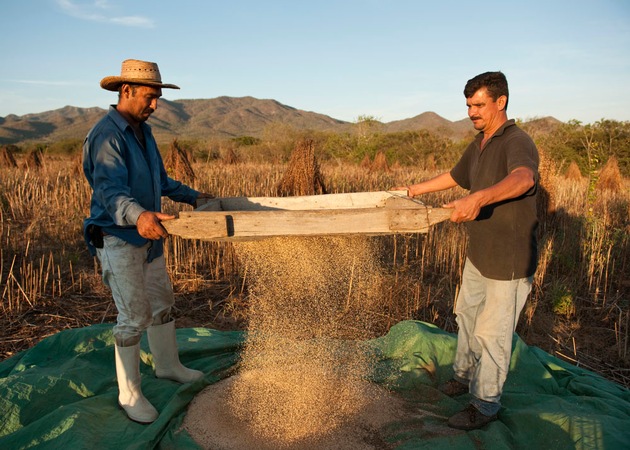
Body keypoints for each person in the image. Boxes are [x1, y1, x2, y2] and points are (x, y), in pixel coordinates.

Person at [393, 71, 539, 430]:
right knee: (467, 316)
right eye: (468, 105)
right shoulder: (480, 143)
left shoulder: (516, 141)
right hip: (480, 253)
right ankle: (462, 376)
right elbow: (456, 176)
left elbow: (524, 178)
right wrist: (411, 191)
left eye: (478, 105)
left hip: (509, 260)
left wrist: (480, 197)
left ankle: (485, 404)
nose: (472, 112)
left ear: (500, 102)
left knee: (493, 332)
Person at [82, 59, 214, 424]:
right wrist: (138, 215)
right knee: (133, 316)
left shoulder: (143, 132)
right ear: (126, 91)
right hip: (120, 235)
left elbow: (162, 181)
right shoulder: (107, 135)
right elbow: (109, 191)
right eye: (150, 97)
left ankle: (168, 366)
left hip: (150, 236)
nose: (155, 105)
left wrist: (193, 196)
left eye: (158, 98)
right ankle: (129, 392)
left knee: (162, 303)